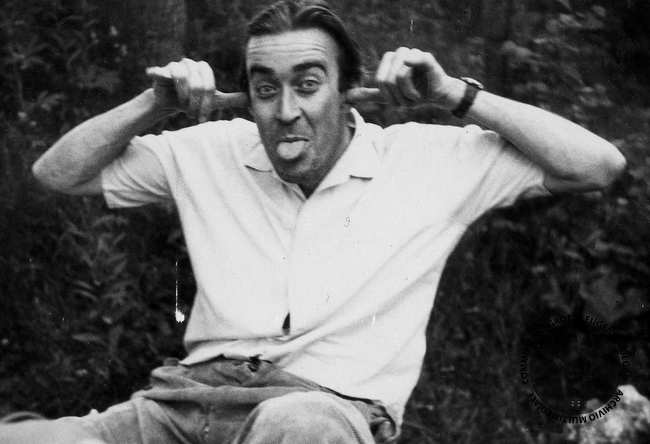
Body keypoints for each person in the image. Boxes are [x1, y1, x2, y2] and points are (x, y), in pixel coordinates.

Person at [2, 0, 626, 443]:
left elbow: (598, 165)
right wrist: (153, 104)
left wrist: (455, 94)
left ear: (348, 89)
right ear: (246, 97)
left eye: (307, 84)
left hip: (322, 410)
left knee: (294, 427)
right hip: (186, 405)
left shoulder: (427, 160)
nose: (285, 111)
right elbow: (57, 174)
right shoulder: (211, 149)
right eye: (265, 89)